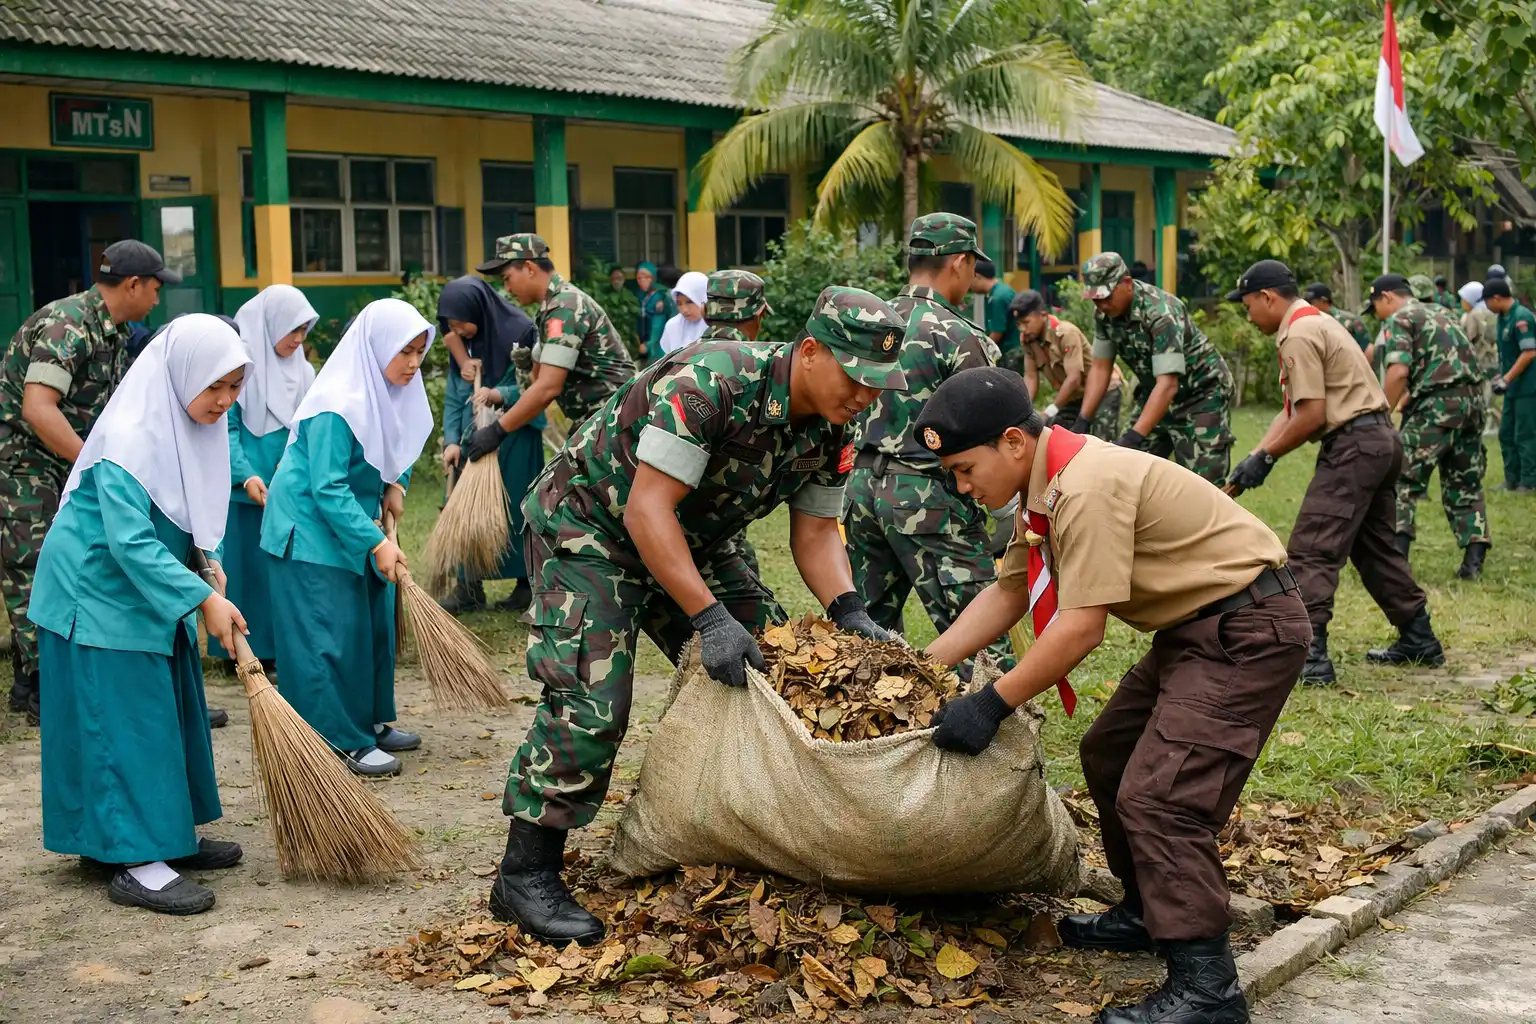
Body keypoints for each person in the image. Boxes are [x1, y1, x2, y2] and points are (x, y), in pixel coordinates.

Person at [488, 286, 907, 947]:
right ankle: (525, 873)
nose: (865, 396)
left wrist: (849, 610)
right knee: (595, 699)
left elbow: (819, 530)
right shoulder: (710, 382)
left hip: (694, 537)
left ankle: (745, 827)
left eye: (877, 385)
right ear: (810, 352)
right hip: (591, 528)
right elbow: (644, 512)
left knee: (778, 668)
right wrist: (709, 618)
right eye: (856, 377)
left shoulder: (835, 424)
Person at [915, 366, 1307, 1024]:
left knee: (1163, 797)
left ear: (1012, 442)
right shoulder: (1043, 488)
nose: (961, 485)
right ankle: (1146, 912)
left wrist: (991, 703)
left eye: (963, 468)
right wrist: (920, 666)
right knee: (1111, 755)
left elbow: (1081, 626)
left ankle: (1207, 990)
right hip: (1195, 631)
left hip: (1247, 630)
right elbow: (1009, 593)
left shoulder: (1084, 485)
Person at [32, 314, 251, 915]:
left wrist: (208, 570)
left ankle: (163, 836)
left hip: (145, 591)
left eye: (235, 388)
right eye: (216, 387)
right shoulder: (128, 440)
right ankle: (136, 861)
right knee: (122, 723)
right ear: (181, 377)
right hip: (94, 595)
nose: (225, 401)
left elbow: (191, 511)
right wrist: (202, 599)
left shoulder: (194, 429)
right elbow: (130, 542)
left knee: (163, 715)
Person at [1226, 261, 1442, 682]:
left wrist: (1268, 458)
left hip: (1354, 446)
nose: (1248, 316)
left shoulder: (1298, 333)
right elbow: (1291, 411)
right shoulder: (1314, 321)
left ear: (1268, 298)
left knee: (1313, 546)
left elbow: (1312, 414)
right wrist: (1256, 454)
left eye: (1249, 305)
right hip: (1379, 440)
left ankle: (1310, 658)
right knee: (1376, 548)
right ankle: (1419, 637)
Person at [0, 239, 179, 724]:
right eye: (156, 287)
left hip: (64, 460)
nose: (158, 298)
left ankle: (30, 680)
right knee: (34, 565)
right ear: (133, 284)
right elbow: (37, 408)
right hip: (26, 465)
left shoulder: (113, 330)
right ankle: (44, 688)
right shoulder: (69, 325)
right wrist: (91, 463)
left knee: (73, 556)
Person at [259, 299, 431, 777]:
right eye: (404, 353)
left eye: (420, 352)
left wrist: (396, 485)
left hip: (351, 524)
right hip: (309, 530)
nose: (414, 364)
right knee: (325, 636)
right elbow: (327, 488)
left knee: (368, 629)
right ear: (375, 350)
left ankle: (369, 722)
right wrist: (376, 543)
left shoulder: (392, 391)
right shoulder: (337, 404)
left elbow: (400, 445)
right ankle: (337, 739)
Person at [842, 213, 1011, 674]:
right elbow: (989, 428)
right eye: (973, 264)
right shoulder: (956, 335)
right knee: (980, 636)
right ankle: (1005, 742)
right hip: (926, 498)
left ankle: (865, 742)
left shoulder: (869, 324)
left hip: (858, 492)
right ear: (958, 261)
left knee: (866, 638)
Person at [214, 285, 318, 668]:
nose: (297, 339)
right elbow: (226, 430)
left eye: (303, 331)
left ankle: (274, 648)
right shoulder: (238, 372)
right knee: (244, 573)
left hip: (285, 491)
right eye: (291, 329)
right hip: (243, 492)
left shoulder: (305, 372)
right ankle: (235, 647)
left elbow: (308, 427)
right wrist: (246, 476)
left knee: (277, 573)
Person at [464, 235, 634, 463]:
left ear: (529, 268)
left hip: (615, 422)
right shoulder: (550, 309)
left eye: (507, 278)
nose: (507, 288)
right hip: (600, 423)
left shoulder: (564, 307)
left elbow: (547, 387)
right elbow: (536, 382)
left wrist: (497, 431)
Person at [1073, 252, 1235, 483]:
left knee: (1202, 483)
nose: (1101, 305)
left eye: (1106, 296)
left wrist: (1135, 437)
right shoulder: (1104, 314)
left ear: (1126, 284)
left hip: (1200, 395)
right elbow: (1100, 367)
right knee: (1125, 473)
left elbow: (1168, 384)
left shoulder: (1161, 313)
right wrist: (1083, 420)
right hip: (1155, 394)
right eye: (1095, 299)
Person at [1369, 273, 1491, 580]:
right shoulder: (1444, 312)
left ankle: (1396, 562)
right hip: (1473, 404)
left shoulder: (1401, 318)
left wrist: (1380, 415)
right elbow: (1446, 364)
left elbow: (1397, 371)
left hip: (1438, 406)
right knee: (1465, 482)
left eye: (1375, 306)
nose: (1376, 314)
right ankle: (1473, 562)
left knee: (1400, 479)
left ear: (1387, 297)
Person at [436, 276, 545, 614]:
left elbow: (536, 387)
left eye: (460, 323)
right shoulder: (463, 349)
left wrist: (501, 394)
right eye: (450, 326)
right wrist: (452, 441)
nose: (458, 331)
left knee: (515, 508)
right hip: (476, 438)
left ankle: (526, 585)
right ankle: (468, 587)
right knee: (466, 508)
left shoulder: (520, 333)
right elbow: (455, 398)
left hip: (517, 435)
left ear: (478, 311)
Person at [1010, 289, 1122, 440]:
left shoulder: (1065, 333)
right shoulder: (1028, 339)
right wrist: (1024, 413)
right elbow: (1030, 377)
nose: (1022, 329)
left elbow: (1074, 379)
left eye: (1026, 322)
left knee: (1102, 439)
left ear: (1043, 315)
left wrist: (1051, 410)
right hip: (1074, 396)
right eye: (1018, 324)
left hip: (1102, 391)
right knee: (1061, 435)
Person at [1486, 276, 1536, 492]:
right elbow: (1508, 354)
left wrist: (1507, 378)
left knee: (1524, 434)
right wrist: (1501, 376)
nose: (1487, 306)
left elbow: (1529, 352)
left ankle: (1529, 481)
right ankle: (1511, 479)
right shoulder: (1503, 317)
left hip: (1527, 388)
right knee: (1505, 433)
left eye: (1487, 301)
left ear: (1497, 298)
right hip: (1512, 387)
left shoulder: (1521, 317)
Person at [971, 258, 1021, 373]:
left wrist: (981, 351)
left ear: (977, 277)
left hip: (1010, 353)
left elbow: (997, 332)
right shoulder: (998, 292)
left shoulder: (997, 298)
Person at [1303, 282, 1373, 354]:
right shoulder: (1308, 323)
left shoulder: (1347, 321)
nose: (1308, 306)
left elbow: (1368, 349)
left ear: (1324, 301)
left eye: (1311, 303)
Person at [658, 271, 709, 355]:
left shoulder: (717, 328)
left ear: (704, 298)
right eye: (679, 303)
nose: (684, 310)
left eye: (690, 302)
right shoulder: (672, 326)